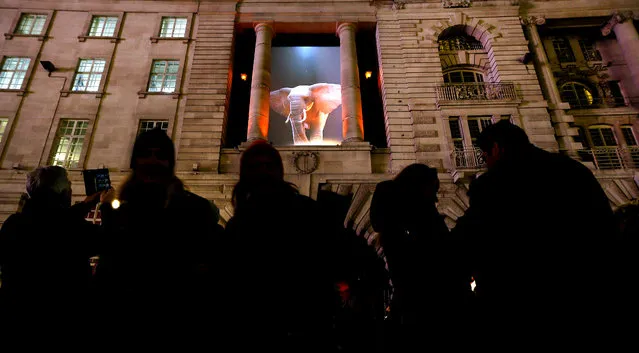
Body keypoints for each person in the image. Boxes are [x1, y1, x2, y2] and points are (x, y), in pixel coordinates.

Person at [452, 121, 620, 346]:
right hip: (587, 297)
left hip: (518, 304)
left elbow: (470, 240)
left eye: (485, 156)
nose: (487, 163)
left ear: (497, 148)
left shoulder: (495, 183)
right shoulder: (573, 170)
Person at [95, 128, 222, 339]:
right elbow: (107, 274)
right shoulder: (121, 213)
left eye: (160, 155)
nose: (152, 161)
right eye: (145, 154)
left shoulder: (195, 211)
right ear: (135, 161)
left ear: (170, 163)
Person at [221, 141, 335, 352]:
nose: (263, 172)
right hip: (253, 331)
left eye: (269, 165)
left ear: (279, 171)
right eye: (255, 167)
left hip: (302, 329)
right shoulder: (237, 225)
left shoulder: (306, 212)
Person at [370, 164, 472, 350]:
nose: (435, 197)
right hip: (432, 311)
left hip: (411, 308)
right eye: (433, 190)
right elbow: (441, 259)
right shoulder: (423, 223)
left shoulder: (394, 223)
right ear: (417, 188)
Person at [0, 166, 105, 332]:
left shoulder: (13, 223)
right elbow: (107, 240)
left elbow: (48, 219)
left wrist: (86, 204)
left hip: (16, 317)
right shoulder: (70, 226)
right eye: (69, 186)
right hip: (62, 319)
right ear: (62, 192)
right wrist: (107, 208)